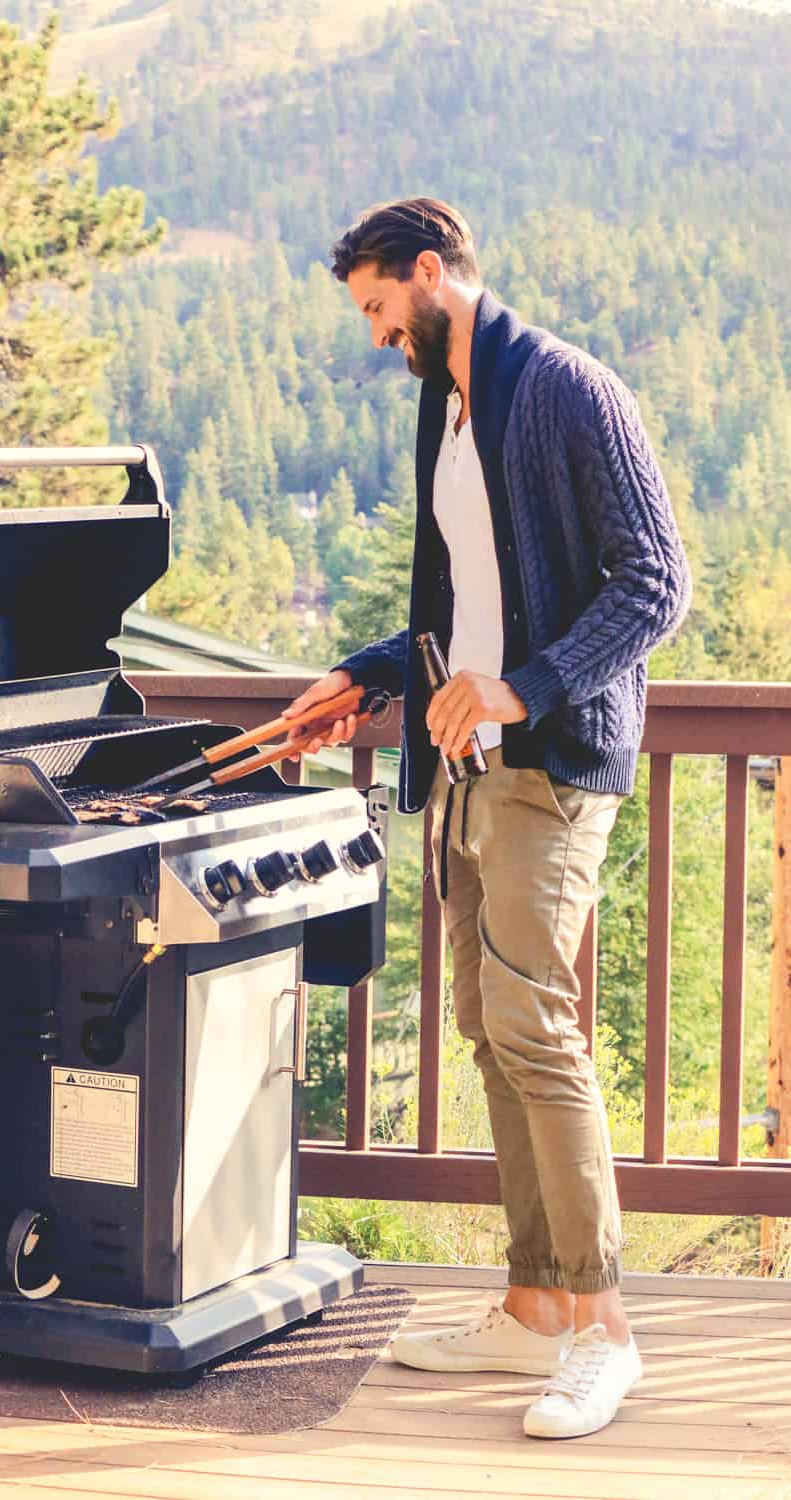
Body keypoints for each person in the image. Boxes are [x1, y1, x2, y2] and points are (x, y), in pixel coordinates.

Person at [283, 198, 691, 1440]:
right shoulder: (444, 404)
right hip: (465, 766)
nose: (372, 335)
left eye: (375, 307)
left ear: (427, 274)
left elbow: (657, 580)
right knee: (483, 1024)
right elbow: (463, 596)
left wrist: (530, 688)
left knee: (535, 1026)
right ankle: (530, 1305)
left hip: (550, 764)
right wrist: (365, 673)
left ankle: (602, 1330)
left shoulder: (566, 386)